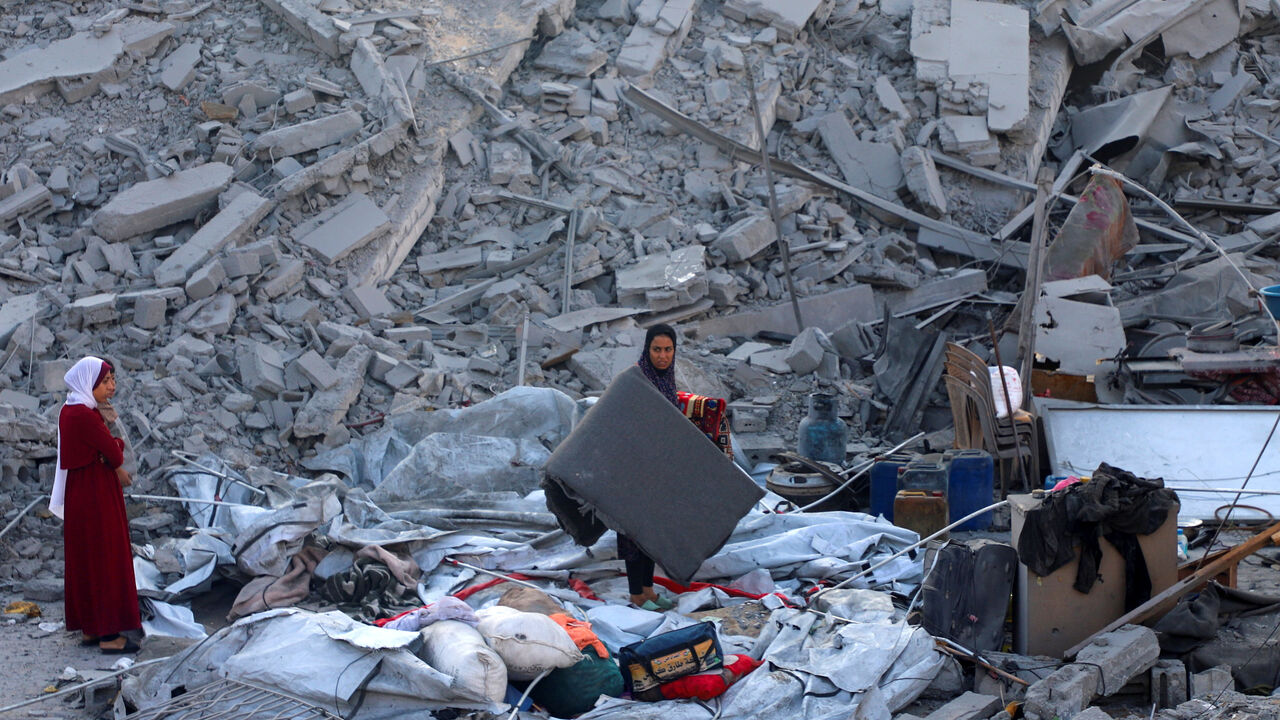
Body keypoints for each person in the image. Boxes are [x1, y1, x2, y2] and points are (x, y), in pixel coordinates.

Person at [52, 357, 141, 654]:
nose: (111, 386)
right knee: (106, 557)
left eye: (112, 380)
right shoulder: (85, 415)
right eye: (105, 381)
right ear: (87, 382)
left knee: (87, 558)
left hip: (80, 491)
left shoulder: (70, 410)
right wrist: (115, 446)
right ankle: (110, 635)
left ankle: (91, 628)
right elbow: (115, 455)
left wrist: (108, 450)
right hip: (96, 492)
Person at [619, 324, 681, 611]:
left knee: (651, 534)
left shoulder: (666, 380)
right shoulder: (636, 380)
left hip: (656, 470)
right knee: (633, 533)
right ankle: (636, 594)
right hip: (633, 471)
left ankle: (648, 590)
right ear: (647, 350)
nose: (662, 356)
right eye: (657, 349)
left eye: (668, 350)